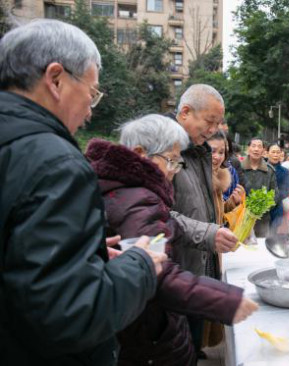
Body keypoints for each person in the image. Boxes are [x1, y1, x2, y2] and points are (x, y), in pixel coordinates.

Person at [0, 19, 166, 365]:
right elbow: (72, 314)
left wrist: (86, 252)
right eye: (91, 93)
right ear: (56, 78)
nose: (91, 110)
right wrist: (141, 265)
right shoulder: (56, 163)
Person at [86, 115, 257, 365]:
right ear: (141, 153)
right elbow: (159, 276)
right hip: (150, 338)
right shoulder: (138, 199)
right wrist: (226, 300)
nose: (172, 171)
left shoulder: (125, 188)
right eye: (171, 161)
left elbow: (167, 221)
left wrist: (209, 233)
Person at [167, 84, 240, 357]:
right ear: (185, 112)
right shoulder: (163, 148)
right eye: (209, 122)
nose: (213, 130)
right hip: (174, 274)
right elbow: (156, 212)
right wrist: (208, 233)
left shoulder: (199, 151)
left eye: (218, 123)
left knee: (193, 346)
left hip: (199, 269)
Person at [241, 137, 279, 237]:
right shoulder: (239, 168)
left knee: (261, 247)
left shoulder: (269, 170)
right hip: (241, 217)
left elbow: (275, 194)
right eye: (253, 146)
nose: (256, 149)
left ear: (263, 151)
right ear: (248, 149)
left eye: (259, 147)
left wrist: (262, 209)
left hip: (262, 219)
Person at [266, 143, 289, 238]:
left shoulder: (285, 171)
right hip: (262, 208)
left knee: (272, 234)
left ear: (281, 155)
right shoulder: (262, 169)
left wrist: (274, 199)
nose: (275, 155)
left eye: (278, 152)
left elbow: (286, 190)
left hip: (276, 207)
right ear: (267, 153)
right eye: (273, 152)